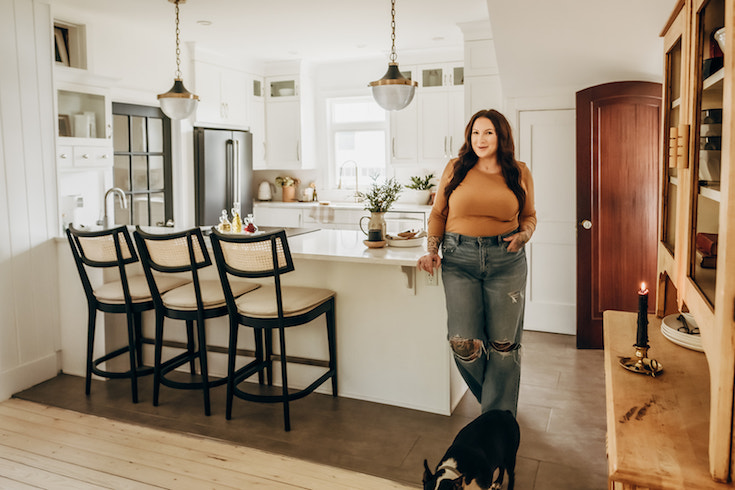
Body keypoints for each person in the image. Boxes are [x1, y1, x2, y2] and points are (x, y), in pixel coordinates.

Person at [417, 109, 536, 416]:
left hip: (506, 260)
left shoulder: (519, 171)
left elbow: (529, 216)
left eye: (488, 133)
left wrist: (525, 235)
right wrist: (432, 249)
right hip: (459, 259)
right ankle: (500, 411)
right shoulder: (456, 168)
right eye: (475, 133)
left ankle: (496, 421)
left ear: (501, 136)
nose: (480, 140)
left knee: (503, 345)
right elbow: (439, 213)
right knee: (462, 343)